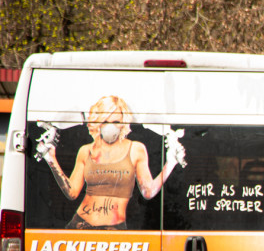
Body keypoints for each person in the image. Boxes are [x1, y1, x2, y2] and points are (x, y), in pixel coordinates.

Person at [39, 95, 185, 229]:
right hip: (79, 225)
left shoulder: (135, 149)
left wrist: (171, 163)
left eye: (116, 122)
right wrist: (50, 158)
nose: (111, 126)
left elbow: (148, 191)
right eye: (105, 121)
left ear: (123, 123)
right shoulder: (86, 151)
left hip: (114, 230)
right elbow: (72, 193)